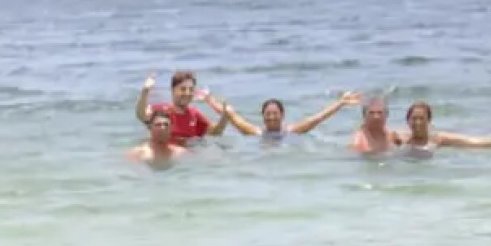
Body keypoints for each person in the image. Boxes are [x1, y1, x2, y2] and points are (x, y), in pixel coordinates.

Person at [222, 91, 361, 143]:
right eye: (268, 114)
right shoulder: (256, 133)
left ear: (282, 115)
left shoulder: (291, 131)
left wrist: (341, 103)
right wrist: (210, 100)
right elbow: (232, 116)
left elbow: (318, 118)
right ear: (262, 117)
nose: (271, 117)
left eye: (275, 114)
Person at [134, 70, 229, 145]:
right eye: (183, 89)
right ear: (172, 90)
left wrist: (225, 117)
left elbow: (215, 132)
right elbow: (141, 115)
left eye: (191, 90)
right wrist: (145, 91)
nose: (187, 93)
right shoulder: (162, 111)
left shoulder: (194, 114)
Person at [403, 101, 491, 149]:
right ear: (407, 121)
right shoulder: (402, 139)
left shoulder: (438, 139)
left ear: (429, 121)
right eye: (414, 119)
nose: (417, 123)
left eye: (421, 119)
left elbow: (475, 143)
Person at [347, 94, 415, 157]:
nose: (376, 117)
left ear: (386, 115)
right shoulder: (358, 141)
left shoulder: (393, 136)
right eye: (371, 113)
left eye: (380, 113)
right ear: (364, 115)